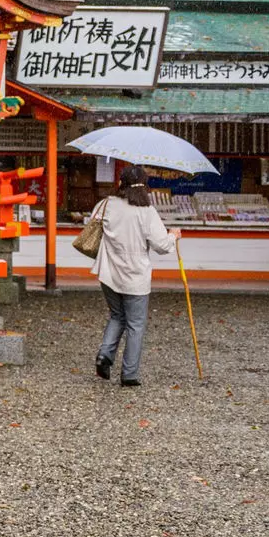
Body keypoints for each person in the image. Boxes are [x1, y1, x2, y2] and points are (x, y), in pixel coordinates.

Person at [91, 164, 179, 387]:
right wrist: (173, 236)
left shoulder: (107, 204)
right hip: (136, 276)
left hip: (109, 272)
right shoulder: (146, 211)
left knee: (116, 316)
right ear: (145, 184)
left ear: (121, 182)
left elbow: (92, 223)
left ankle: (104, 355)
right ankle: (129, 374)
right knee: (135, 325)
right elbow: (161, 246)